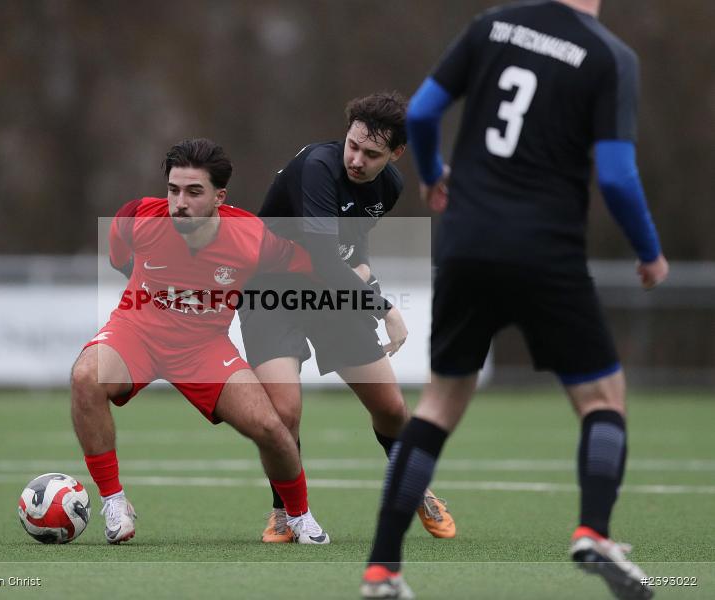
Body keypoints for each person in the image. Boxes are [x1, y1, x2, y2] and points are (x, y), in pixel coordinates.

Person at [360, 1, 668, 598]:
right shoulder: (610, 57)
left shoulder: (493, 25)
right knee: (602, 399)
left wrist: (432, 174)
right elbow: (616, 176)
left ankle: (382, 567)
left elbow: (420, 112)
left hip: (467, 242)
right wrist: (649, 251)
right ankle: (594, 531)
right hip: (546, 250)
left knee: (438, 406)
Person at [71, 138, 330, 545]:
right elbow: (118, 250)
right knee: (86, 376)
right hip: (137, 331)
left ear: (219, 197)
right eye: (173, 190)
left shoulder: (251, 237)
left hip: (203, 348)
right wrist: (136, 284)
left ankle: (299, 517)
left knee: (272, 427)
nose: (180, 203)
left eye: (194, 192)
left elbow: (308, 263)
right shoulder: (139, 216)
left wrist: (359, 283)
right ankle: (115, 502)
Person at [240, 92, 455, 543]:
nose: (356, 159)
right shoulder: (318, 168)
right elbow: (323, 257)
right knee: (284, 411)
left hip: (332, 292)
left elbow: (350, 241)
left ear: (396, 153)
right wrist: (383, 306)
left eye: (371, 153)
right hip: (272, 292)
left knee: (391, 407)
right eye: (353, 145)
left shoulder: (390, 185)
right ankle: (284, 511)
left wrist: (362, 268)